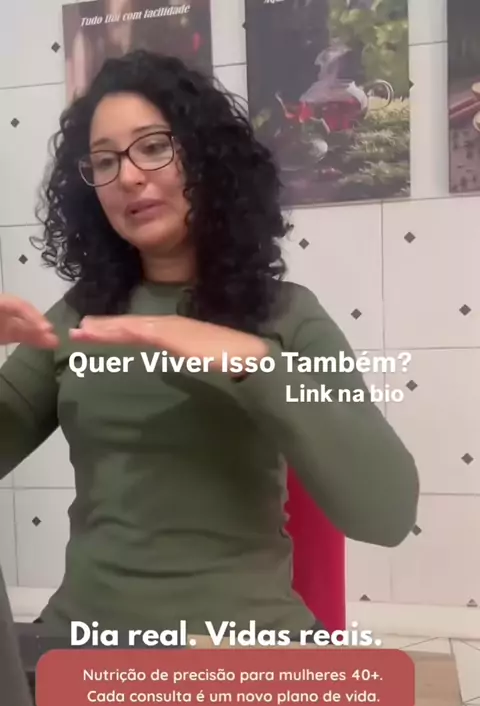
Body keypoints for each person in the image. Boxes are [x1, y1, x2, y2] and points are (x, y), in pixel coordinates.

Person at [0, 50, 419, 636]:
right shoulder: (78, 316)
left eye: (153, 147)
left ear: (206, 157)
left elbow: (387, 514)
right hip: (81, 644)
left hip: (242, 652)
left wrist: (254, 363)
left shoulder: (288, 316)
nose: (128, 176)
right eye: (104, 161)